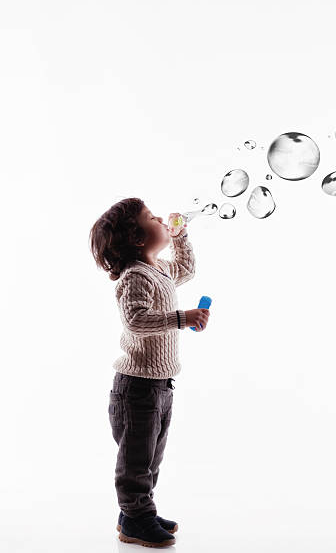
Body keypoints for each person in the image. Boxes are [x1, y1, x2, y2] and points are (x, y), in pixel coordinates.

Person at [89, 197, 210, 547]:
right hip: (137, 388)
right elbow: (135, 320)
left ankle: (136, 511)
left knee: (152, 455)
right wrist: (181, 319)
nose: (160, 217)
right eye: (151, 217)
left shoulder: (158, 269)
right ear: (139, 238)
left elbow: (186, 267)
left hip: (160, 384)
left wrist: (182, 235)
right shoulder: (135, 277)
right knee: (136, 460)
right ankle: (136, 520)